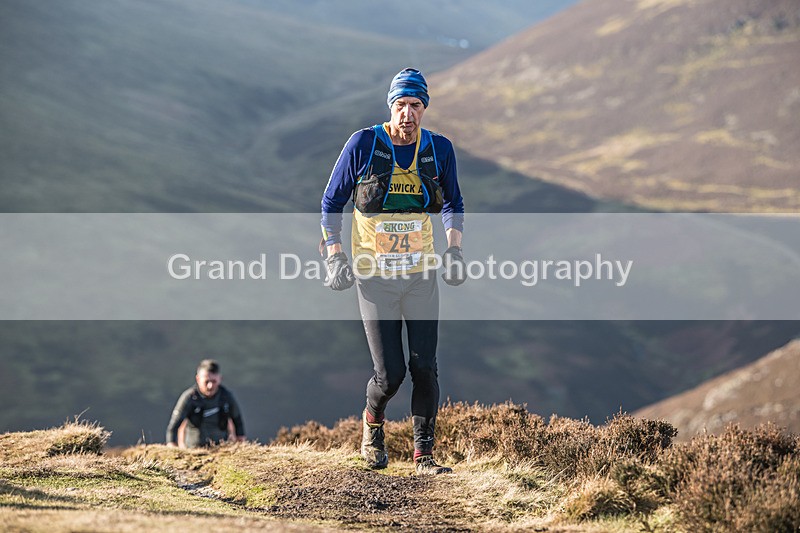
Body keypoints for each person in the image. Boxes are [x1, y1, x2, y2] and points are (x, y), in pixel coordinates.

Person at [320, 68, 466, 475]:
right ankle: (372, 425)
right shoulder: (364, 144)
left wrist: (454, 249)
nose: (407, 113)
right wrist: (334, 254)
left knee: (425, 366)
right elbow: (331, 202)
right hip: (374, 278)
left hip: (420, 275)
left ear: (424, 108)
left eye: (415, 105)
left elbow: (453, 201)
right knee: (390, 375)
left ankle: (424, 456)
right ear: (390, 106)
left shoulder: (438, 150)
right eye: (400, 105)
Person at [166, 359, 246, 448]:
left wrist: (240, 445)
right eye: (206, 381)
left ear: (220, 379)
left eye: (214, 381)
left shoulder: (226, 396)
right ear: (198, 379)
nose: (210, 386)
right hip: (193, 451)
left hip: (222, 450)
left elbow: (238, 421)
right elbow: (173, 426)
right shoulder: (189, 398)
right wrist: (172, 446)